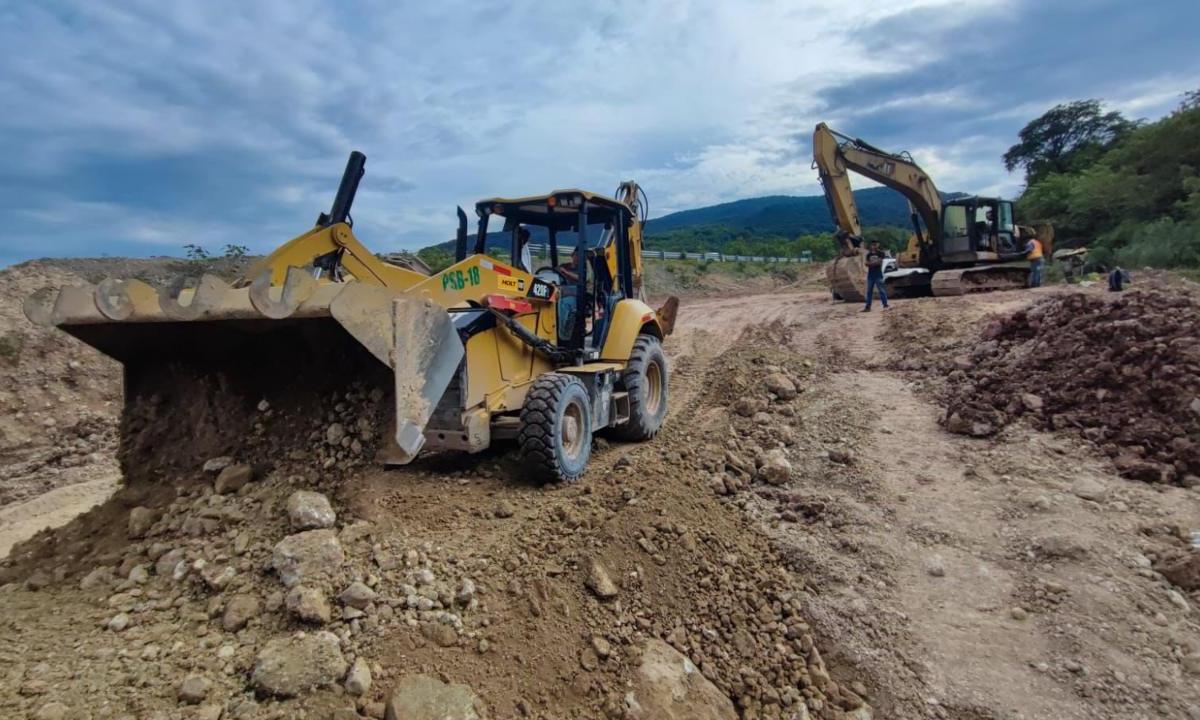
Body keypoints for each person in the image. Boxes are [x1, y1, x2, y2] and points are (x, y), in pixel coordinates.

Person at [861, 240, 889, 312]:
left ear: (878, 245)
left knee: (881, 290)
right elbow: (866, 263)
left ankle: (885, 305)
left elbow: (879, 263)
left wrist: (871, 263)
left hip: (878, 275)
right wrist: (873, 263)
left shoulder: (881, 253)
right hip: (870, 275)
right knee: (869, 291)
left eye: (875, 244)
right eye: (873, 245)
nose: (874, 246)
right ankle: (868, 307)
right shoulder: (868, 254)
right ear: (871, 245)